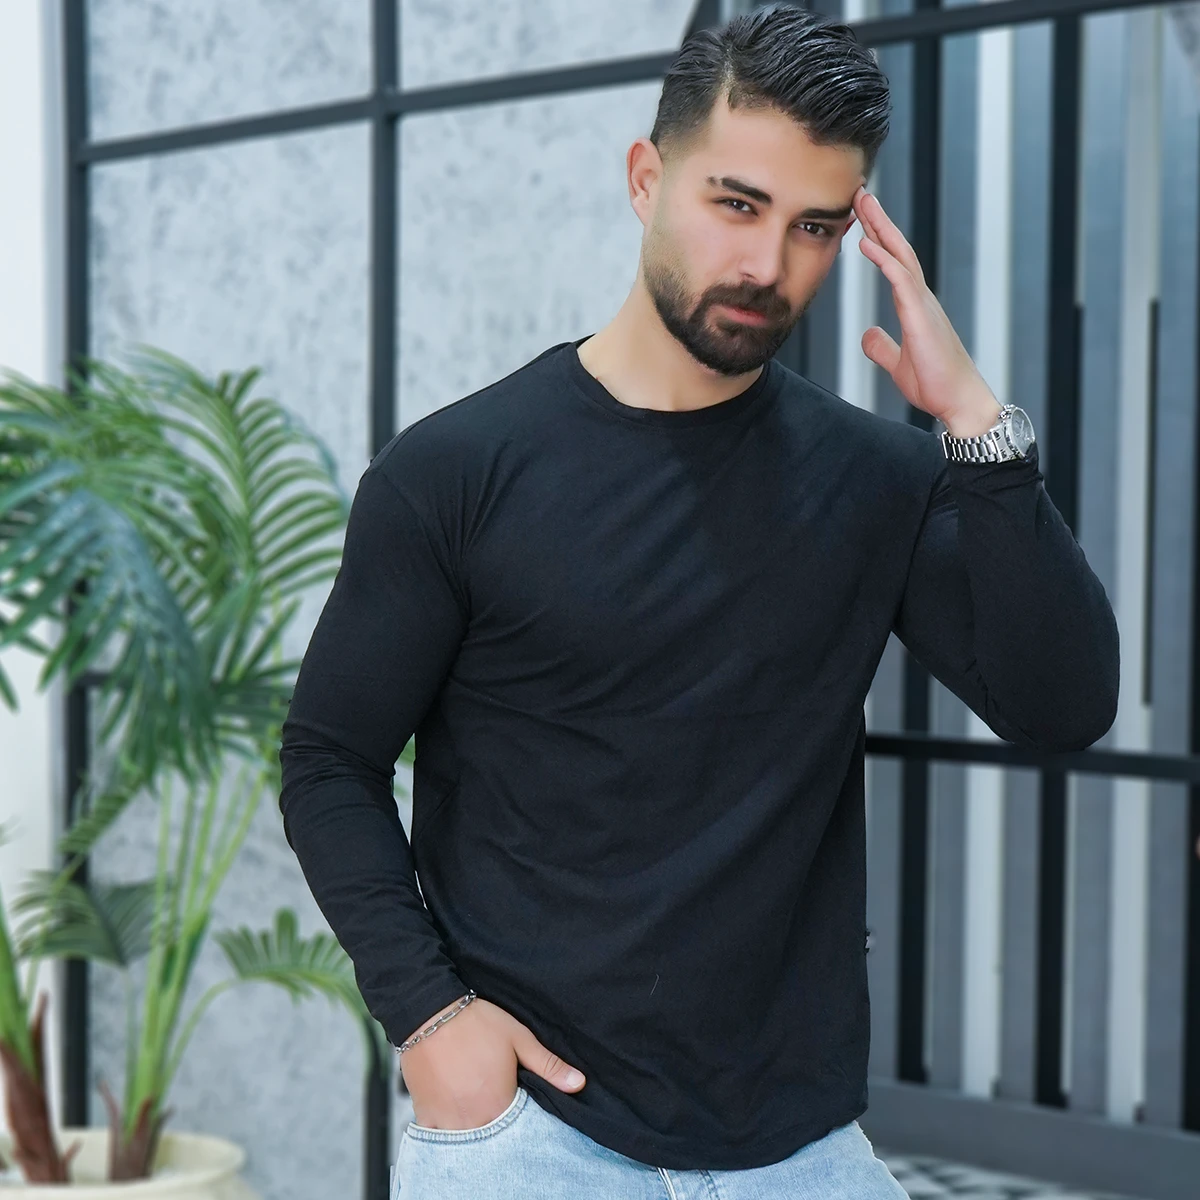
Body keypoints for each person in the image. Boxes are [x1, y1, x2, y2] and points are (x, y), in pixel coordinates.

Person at [278, 6, 1120, 1197]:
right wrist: (429, 1016)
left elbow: (1064, 705)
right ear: (646, 178)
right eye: (736, 203)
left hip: (799, 1148)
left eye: (814, 226)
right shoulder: (456, 473)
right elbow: (328, 760)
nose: (768, 265)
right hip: (530, 1139)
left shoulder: (875, 481)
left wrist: (977, 427)